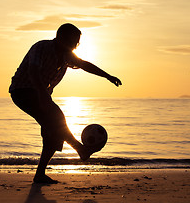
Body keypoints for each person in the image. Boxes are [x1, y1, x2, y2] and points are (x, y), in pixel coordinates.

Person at [9, 23, 122, 184]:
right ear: (60, 38)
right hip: (23, 91)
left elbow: (84, 65)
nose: (74, 46)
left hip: (42, 95)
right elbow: (33, 71)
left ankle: (40, 174)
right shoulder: (41, 47)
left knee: (52, 134)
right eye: (72, 42)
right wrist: (42, 94)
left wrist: (108, 76)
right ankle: (80, 149)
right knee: (57, 119)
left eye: (77, 43)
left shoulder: (66, 55)